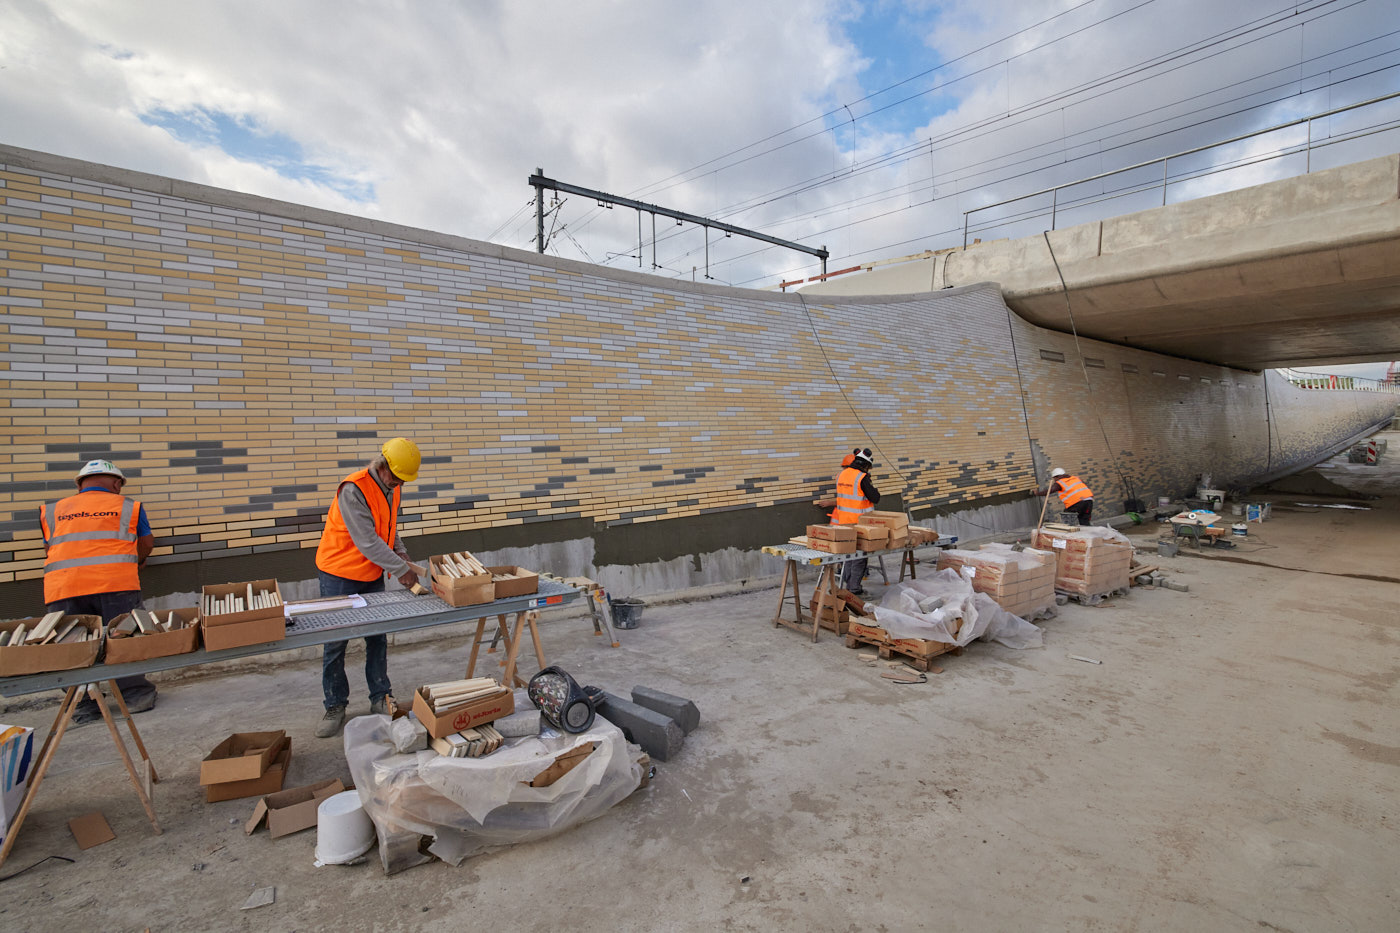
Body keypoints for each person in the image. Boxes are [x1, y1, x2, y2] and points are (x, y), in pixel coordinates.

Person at [313, 438, 422, 738]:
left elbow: (388, 528)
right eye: (398, 478)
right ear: (384, 467)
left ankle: (380, 696)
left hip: (371, 571)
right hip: (339, 573)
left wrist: (401, 553)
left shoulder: (392, 487)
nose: (400, 484)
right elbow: (368, 541)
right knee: (337, 640)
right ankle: (335, 704)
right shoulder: (353, 490)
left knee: (377, 635)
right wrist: (401, 570)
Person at [39, 460, 159, 723]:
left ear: (81, 484)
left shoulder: (53, 511)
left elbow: (52, 547)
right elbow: (146, 543)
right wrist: (137, 560)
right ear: (116, 483)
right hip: (116, 584)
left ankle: (83, 706)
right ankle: (136, 696)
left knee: (70, 647)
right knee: (126, 639)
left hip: (64, 587)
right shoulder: (128, 507)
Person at [831, 448, 881, 594]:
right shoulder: (862, 477)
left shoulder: (841, 475)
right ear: (865, 465)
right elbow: (875, 498)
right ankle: (854, 590)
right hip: (860, 523)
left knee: (849, 555)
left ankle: (848, 585)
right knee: (859, 558)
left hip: (843, 522)